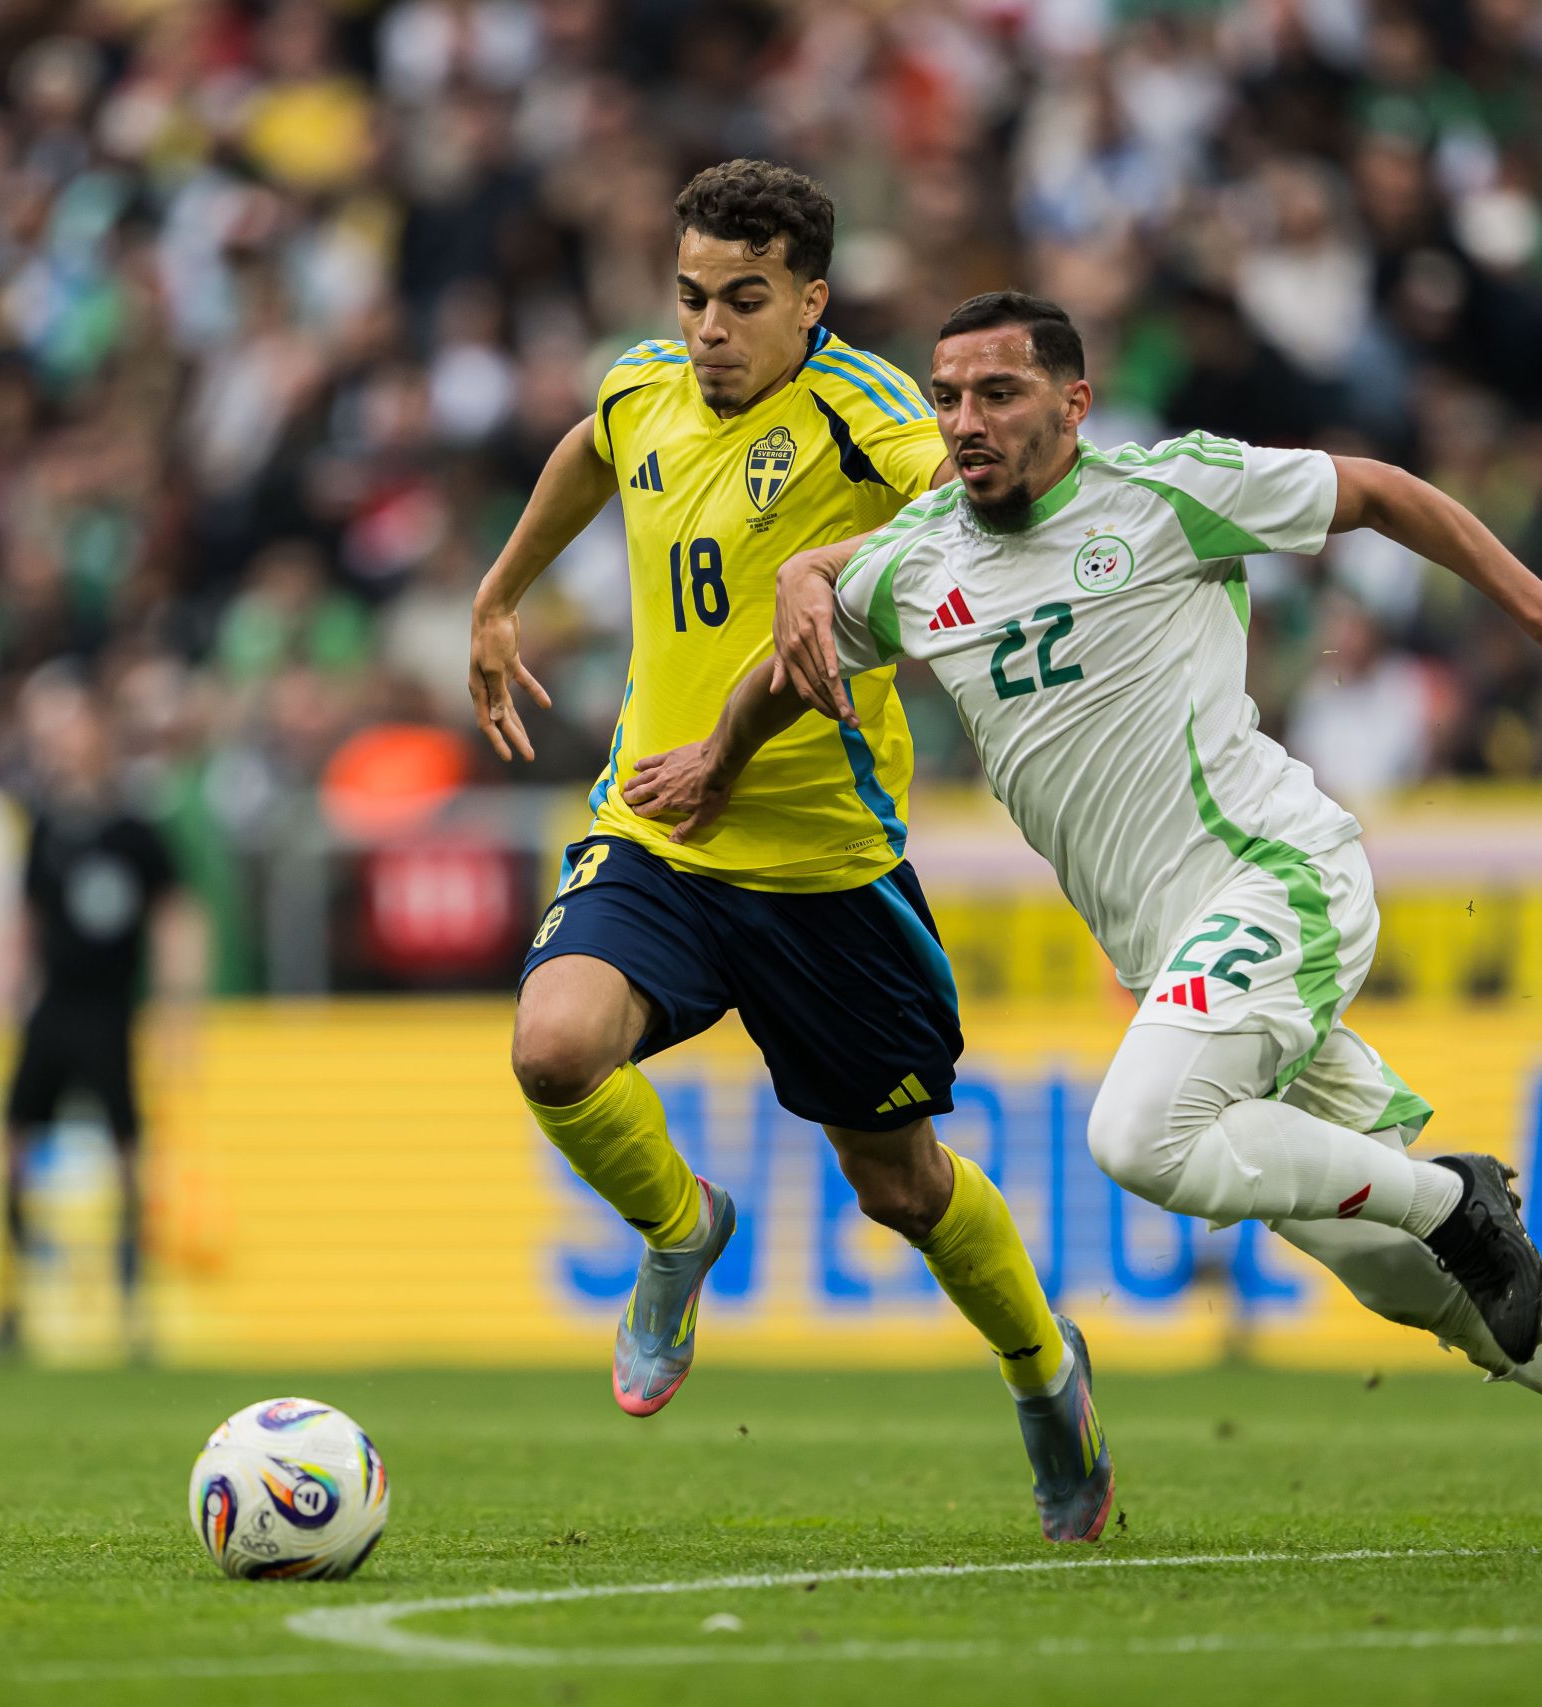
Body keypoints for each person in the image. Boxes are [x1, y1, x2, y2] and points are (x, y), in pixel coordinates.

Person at [630, 290, 1542, 1554]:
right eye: (947, 397)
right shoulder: (915, 560)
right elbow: (791, 669)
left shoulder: (1162, 493)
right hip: (1182, 959)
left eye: (999, 394)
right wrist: (715, 756)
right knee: (1432, 1295)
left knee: (1140, 1137)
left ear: (1073, 403)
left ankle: (1451, 1197)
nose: (965, 422)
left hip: (1278, 881)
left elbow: (1381, 491)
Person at [470, 164, 1112, 1542]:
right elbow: (590, 449)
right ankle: (679, 1228)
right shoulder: (643, 386)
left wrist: (822, 568)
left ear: (810, 302)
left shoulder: (867, 408)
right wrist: (499, 593)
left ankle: (1043, 1370)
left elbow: (974, 509)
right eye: (693, 295)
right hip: (659, 828)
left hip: (826, 867)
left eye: (744, 300)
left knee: (902, 1185)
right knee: (553, 1046)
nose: (709, 326)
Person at [0, 666, 206, 1354]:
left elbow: (175, 919)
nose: (64, 744)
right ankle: (11, 1303)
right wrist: (12, 994)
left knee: (127, 1151)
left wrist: (179, 1011)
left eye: (75, 730)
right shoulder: (45, 826)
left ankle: (133, 1305)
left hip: (110, 1010)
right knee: (11, 1139)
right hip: (53, 1007)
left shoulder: (133, 831)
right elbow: (27, 920)